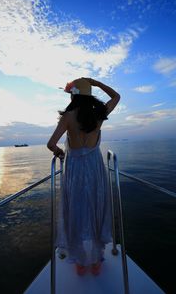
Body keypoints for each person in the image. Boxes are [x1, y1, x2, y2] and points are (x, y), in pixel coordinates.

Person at [47, 77, 120, 275]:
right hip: (95, 167)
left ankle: (80, 260)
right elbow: (116, 96)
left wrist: (60, 154)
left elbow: (51, 144)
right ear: (89, 95)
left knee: (75, 211)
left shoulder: (68, 116)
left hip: (75, 170)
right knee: (97, 208)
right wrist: (98, 84)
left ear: (73, 95)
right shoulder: (99, 113)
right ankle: (97, 259)